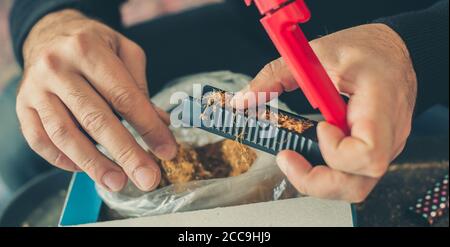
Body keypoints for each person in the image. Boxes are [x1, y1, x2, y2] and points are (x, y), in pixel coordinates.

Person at [8, 0, 448, 202]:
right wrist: (54, 19)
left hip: (418, 29)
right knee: (21, 138)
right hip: (259, 23)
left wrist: (416, 50)